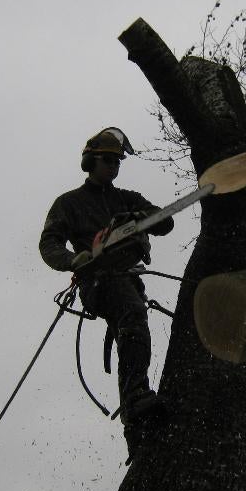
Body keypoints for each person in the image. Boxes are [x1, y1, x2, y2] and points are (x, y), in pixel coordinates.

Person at [39, 127, 174, 461]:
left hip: (127, 279)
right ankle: (136, 396)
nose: (113, 167)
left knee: (134, 331)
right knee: (132, 316)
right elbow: (48, 243)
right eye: (108, 161)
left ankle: (137, 426)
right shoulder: (69, 204)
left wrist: (141, 218)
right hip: (97, 281)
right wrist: (75, 260)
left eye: (117, 162)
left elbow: (165, 222)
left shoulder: (125, 198)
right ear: (90, 161)